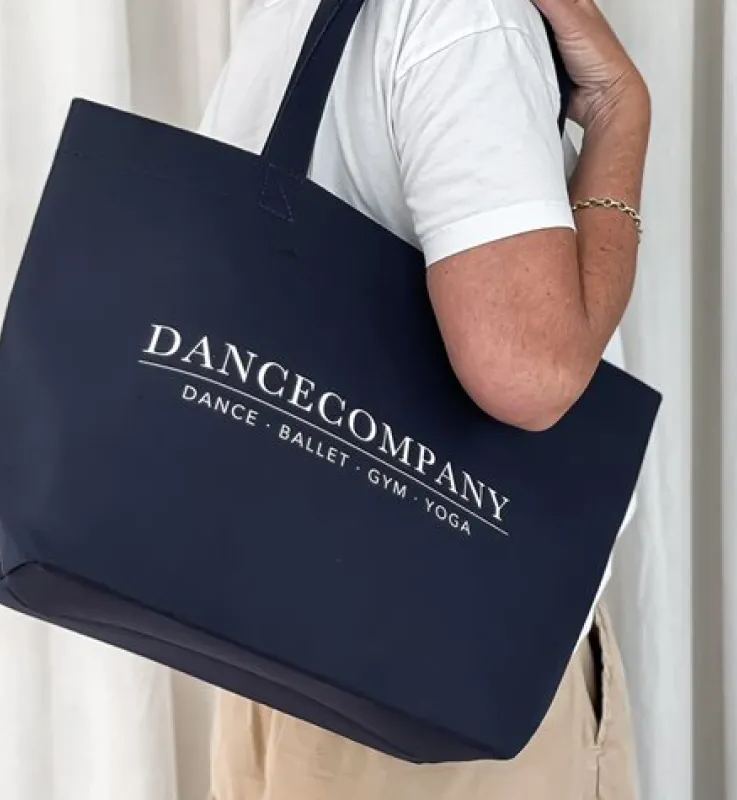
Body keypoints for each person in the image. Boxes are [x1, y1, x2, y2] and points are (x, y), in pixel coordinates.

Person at [199, 0, 651, 797]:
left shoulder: (291, 13)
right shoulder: (464, 19)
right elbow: (531, 375)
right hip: (439, 688)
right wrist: (620, 115)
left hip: (273, 642)